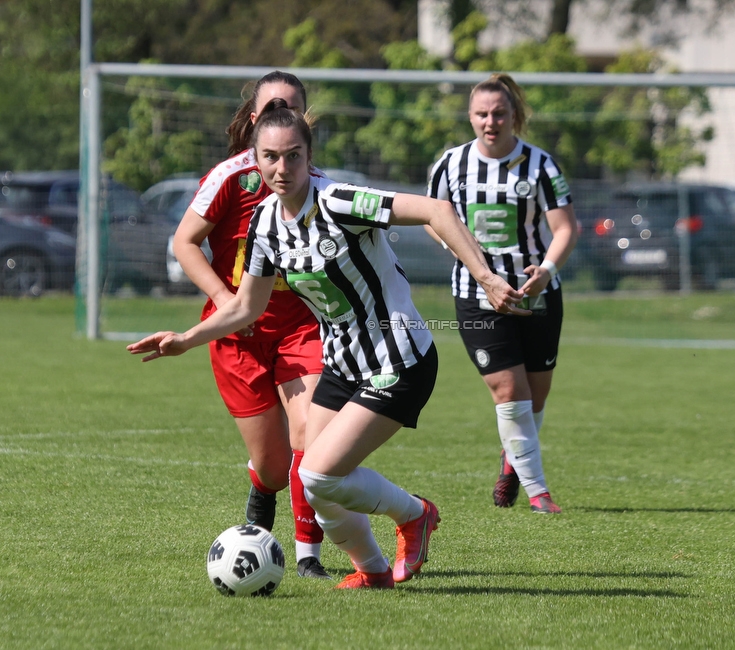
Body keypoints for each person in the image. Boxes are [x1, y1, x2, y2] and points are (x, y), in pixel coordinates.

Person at [130, 100, 527, 589]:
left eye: (293, 155)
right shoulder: (264, 226)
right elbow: (244, 308)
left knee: (318, 475)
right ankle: (375, 572)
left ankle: (415, 515)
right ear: (255, 159)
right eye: (271, 157)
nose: (282, 167)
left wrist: (484, 276)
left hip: (398, 359)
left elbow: (437, 209)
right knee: (312, 482)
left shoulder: (340, 201)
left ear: (309, 155)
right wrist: (184, 340)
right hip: (342, 363)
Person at [171, 72, 329, 579]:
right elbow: (184, 243)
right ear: (255, 118)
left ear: (303, 124)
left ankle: (308, 558)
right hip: (237, 336)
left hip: (300, 329)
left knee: (311, 437)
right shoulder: (230, 178)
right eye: (271, 107)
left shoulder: (323, 188)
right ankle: (261, 501)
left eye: (292, 108)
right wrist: (223, 301)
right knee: (274, 465)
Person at [426, 73, 577, 514]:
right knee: (510, 393)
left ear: (514, 115)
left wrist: (546, 269)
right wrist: (473, 262)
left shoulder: (540, 165)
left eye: (499, 113)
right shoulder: (450, 165)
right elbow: (435, 222)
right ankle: (539, 493)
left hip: (537, 295)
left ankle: (512, 463)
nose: (490, 122)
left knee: (535, 397)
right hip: (477, 296)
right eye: (481, 114)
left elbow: (566, 228)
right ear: (470, 117)